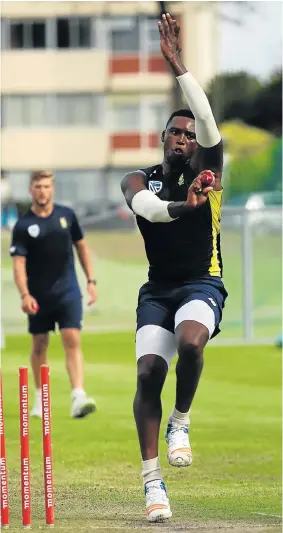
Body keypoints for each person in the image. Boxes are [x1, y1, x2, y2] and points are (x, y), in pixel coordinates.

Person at [121, 13, 228, 523]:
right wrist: (185, 207)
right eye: (175, 132)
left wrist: (178, 65)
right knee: (147, 374)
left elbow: (207, 122)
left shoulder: (210, 171)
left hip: (202, 283)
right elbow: (147, 209)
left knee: (190, 343)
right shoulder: (138, 177)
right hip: (158, 290)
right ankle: (151, 483)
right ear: (163, 138)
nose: (184, 138)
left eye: (190, 133)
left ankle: (180, 420)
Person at [10, 170, 97, 419]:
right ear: (31, 190)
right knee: (39, 344)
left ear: (53, 189)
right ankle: (40, 400)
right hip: (38, 296)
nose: (42, 191)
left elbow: (82, 247)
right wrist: (25, 294)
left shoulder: (66, 216)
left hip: (68, 291)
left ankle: (78, 395)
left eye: (47, 186)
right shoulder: (23, 225)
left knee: (72, 339)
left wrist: (91, 281)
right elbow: (18, 265)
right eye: (38, 186)